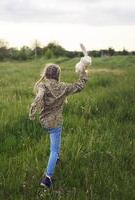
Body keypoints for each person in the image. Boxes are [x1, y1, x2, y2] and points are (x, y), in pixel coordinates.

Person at [29, 56, 91, 188]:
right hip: (56, 122)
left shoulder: (42, 85)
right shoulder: (63, 87)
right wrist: (83, 72)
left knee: (55, 146)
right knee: (54, 150)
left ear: (46, 74)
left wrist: (34, 107)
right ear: (58, 75)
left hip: (44, 121)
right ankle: (47, 179)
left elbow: (39, 95)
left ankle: (56, 160)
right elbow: (79, 86)